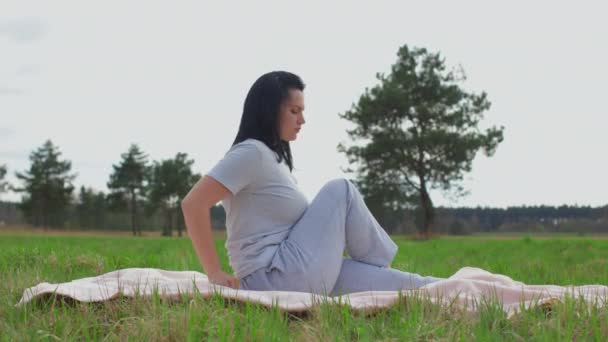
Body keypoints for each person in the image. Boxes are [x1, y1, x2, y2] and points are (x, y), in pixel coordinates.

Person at [181, 71, 442, 296]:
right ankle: (378, 261)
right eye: (294, 111)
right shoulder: (251, 152)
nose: (302, 120)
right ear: (269, 111)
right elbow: (193, 203)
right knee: (342, 189)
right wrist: (213, 272)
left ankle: (471, 288)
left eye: (302, 112)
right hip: (273, 275)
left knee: (414, 287)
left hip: (295, 270)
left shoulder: (274, 159)